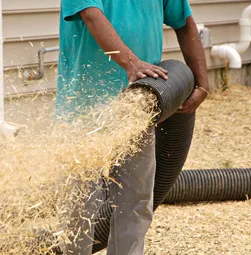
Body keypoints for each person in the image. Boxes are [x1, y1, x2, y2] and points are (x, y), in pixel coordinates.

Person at [56, 0, 209, 254]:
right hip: (83, 111)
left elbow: (184, 23)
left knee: (135, 203)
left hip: (138, 107)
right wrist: (132, 63)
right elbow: (92, 15)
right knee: (78, 208)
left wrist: (202, 83)